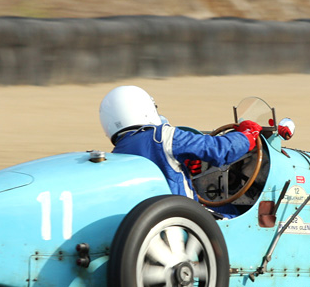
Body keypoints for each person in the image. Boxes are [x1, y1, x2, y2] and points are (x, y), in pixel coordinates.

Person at [99, 85, 262, 201]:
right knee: (233, 213)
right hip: (181, 219)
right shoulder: (163, 136)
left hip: (148, 223)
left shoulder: (117, 153)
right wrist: (248, 136)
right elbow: (219, 150)